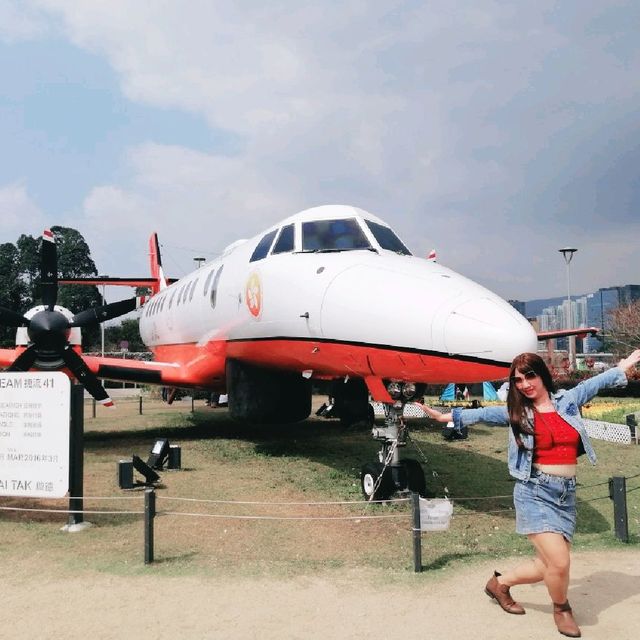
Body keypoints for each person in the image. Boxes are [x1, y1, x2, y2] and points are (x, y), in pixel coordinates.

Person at [417, 349, 640, 638]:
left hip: (566, 494)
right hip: (534, 492)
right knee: (560, 562)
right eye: (518, 380)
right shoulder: (518, 413)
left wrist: (624, 365)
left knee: (546, 565)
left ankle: (499, 584)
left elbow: (593, 384)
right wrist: (444, 416)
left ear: (542, 375)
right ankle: (562, 608)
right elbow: (483, 413)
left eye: (530, 375)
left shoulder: (567, 402)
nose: (524, 384)